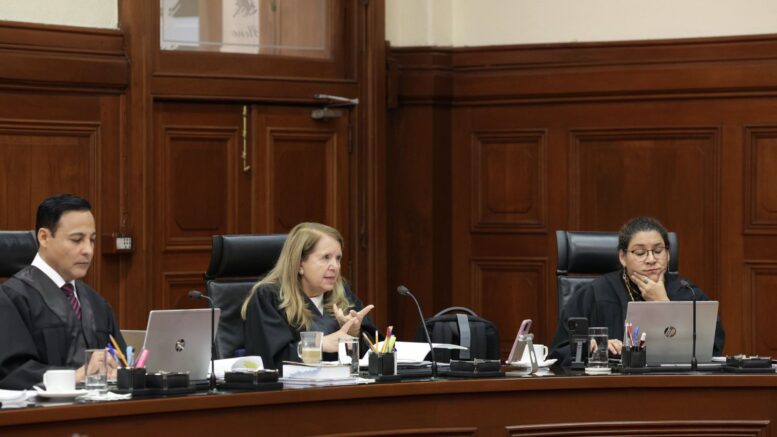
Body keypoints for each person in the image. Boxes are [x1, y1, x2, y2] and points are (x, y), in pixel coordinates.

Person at [549, 216, 724, 366]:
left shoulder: (688, 292)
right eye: (640, 253)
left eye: (658, 251)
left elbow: (711, 348)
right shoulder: (595, 294)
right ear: (622, 257)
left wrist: (662, 303)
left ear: (668, 254)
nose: (651, 259)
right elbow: (560, 352)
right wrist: (594, 347)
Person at [0, 194, 124, 389]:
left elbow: (120, 358)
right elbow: (12, 372)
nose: (88, 250)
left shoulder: (97, 303)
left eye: (92, 240)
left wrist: (118, 369)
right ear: (44, 237)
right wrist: (75, 376)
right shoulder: (11, 299)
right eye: (77, 240)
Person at [241, 222, 376, 370]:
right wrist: (319, 344)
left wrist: (355, 334)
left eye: (338, 258)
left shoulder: (342, 294)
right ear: (300, 264)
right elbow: (268, 360)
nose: (335, 266)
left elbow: (375, 353)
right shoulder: (269, 297)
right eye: (326, 257)